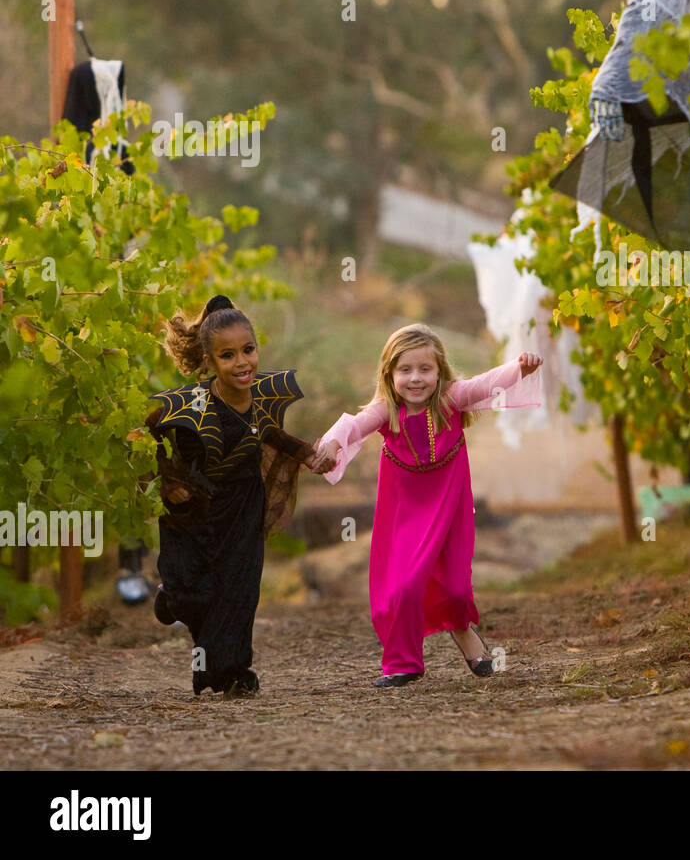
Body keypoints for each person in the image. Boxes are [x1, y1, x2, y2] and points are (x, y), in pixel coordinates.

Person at [313, 325, 542, 687]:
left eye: (425, 369)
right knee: (403, 588)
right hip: (404, 512)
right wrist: (329, 445)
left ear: (440, 372)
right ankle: (403, 662)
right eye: (405, 370)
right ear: (389, 375)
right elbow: (353, 427)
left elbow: (485, 383)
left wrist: (519, 367)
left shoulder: (452, 399)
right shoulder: (386, 411)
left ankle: (462, 630)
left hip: (449, 505)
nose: (415, 379)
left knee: (453, 587)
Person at [146, 295, 331, 697]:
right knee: (194, 592)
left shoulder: (262, 396)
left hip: (244, 504)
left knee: (238, 590)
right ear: (209, 360)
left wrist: (310, 456)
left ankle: (230, 672)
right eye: (228, 355)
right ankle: (172, 598)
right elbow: (146, 439)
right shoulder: (189, 403)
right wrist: (165, 481)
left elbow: (271, 435)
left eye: (248, 350)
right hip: (191, 509)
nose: (242, 362)